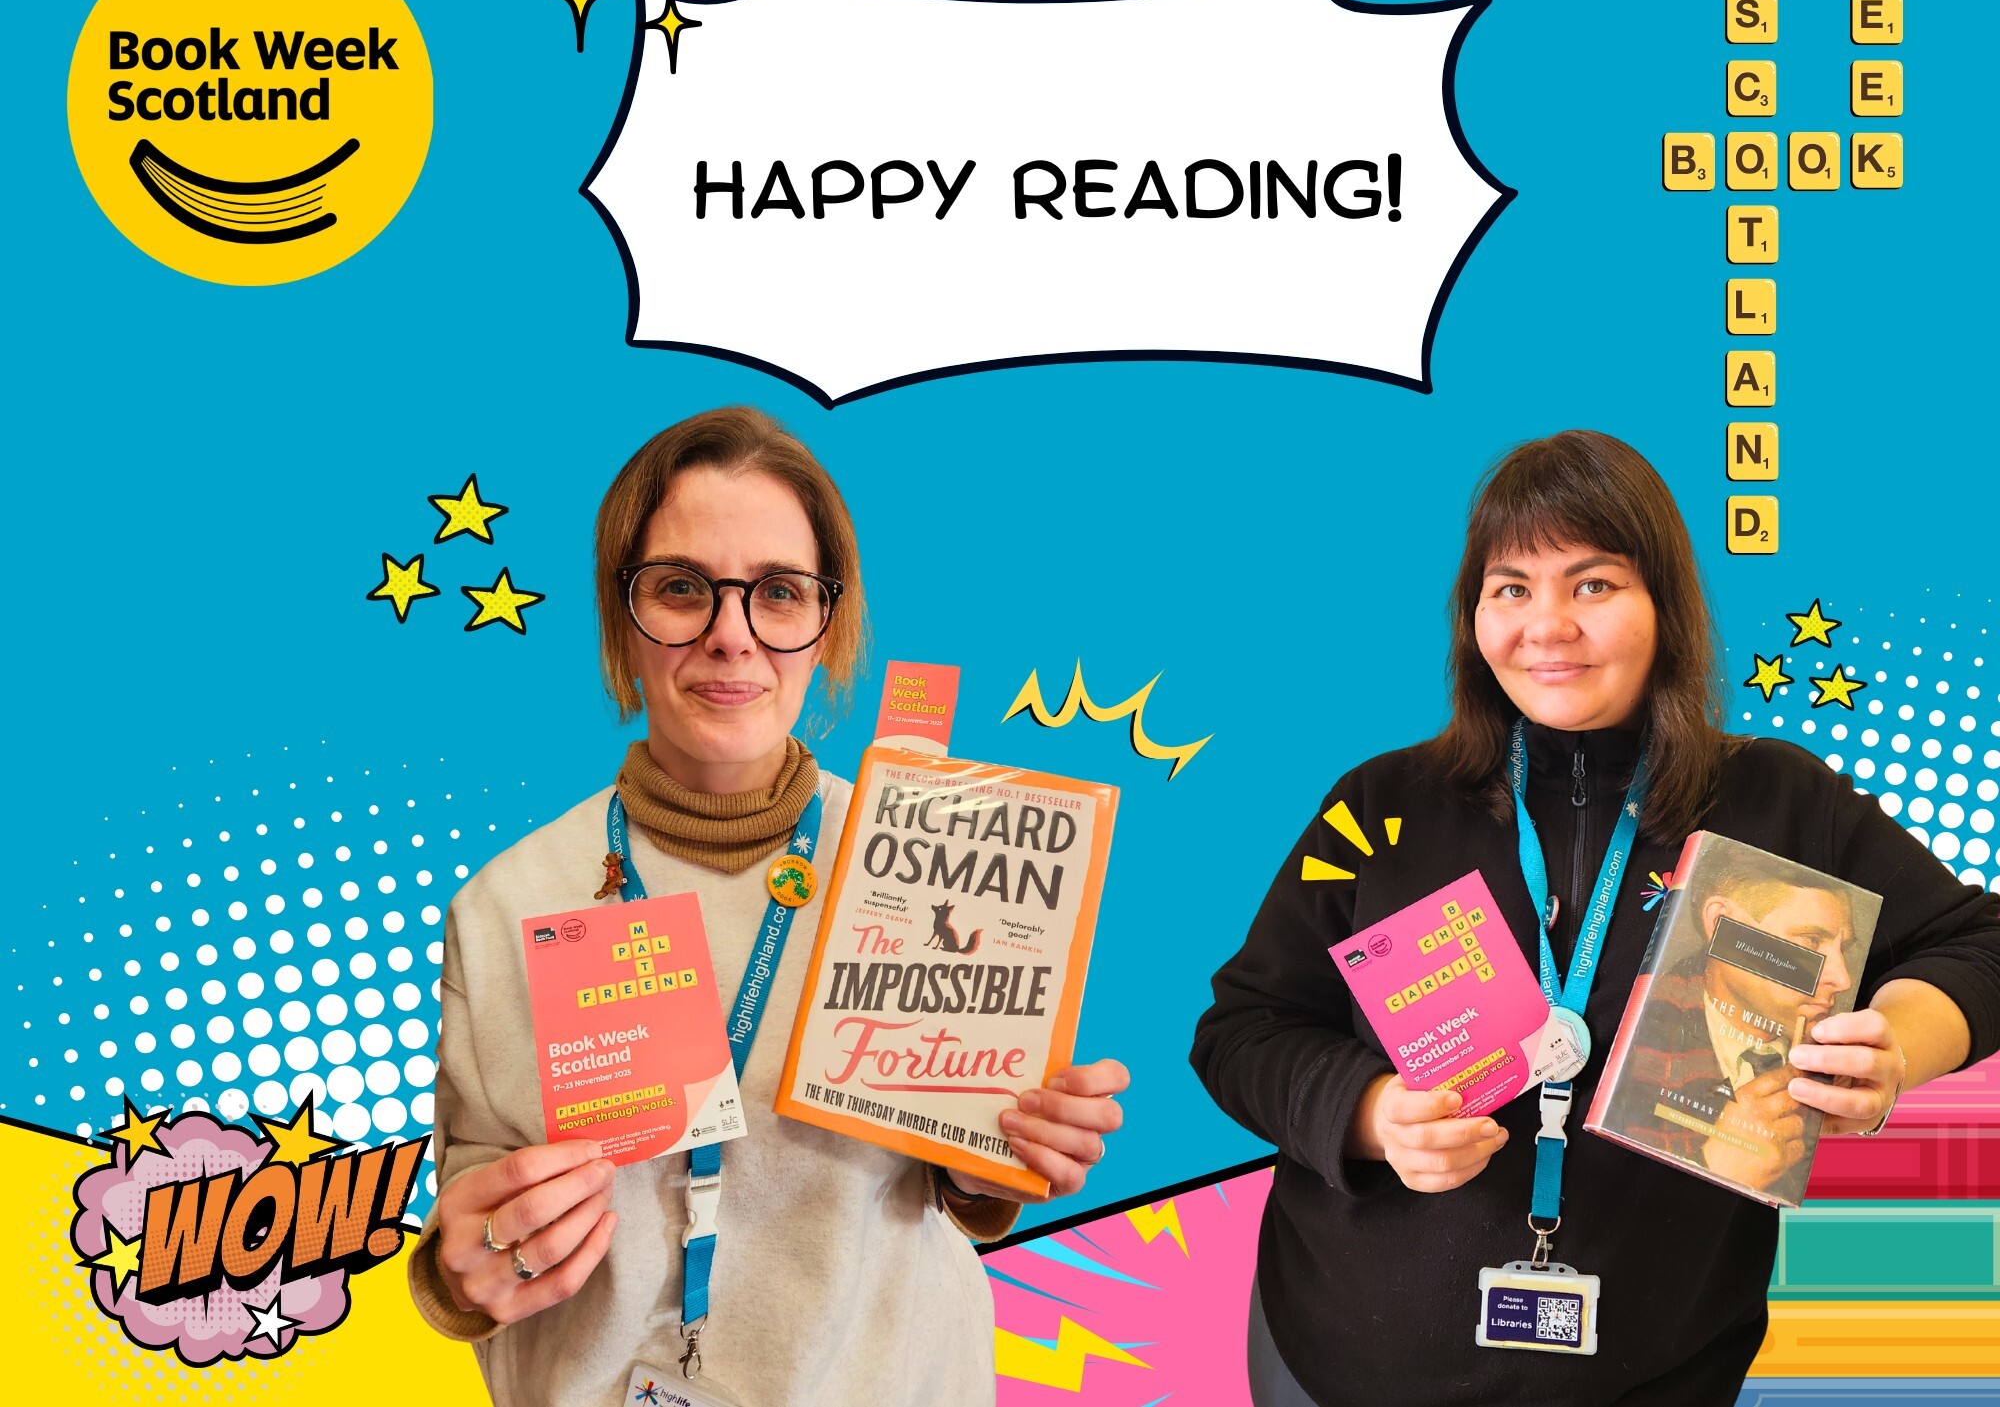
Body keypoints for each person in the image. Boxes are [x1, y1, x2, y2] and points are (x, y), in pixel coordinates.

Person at [1189, 431, 2000, 1407]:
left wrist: (1896, 1046)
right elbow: (1240, 1032)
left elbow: (1980, 943)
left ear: (1663, 605)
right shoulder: (1380, 805)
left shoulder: (1776, 800)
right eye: (1510, 588)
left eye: (1592, 585)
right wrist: (1367, 1116)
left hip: (1661, 1369)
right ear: (1471, 616)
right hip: (1341, 1361)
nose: (1546, 627)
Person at [406, 406, 1129, 1407]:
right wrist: (458, 1276)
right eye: (681, 589)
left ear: (827, 619)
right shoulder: (506, 902)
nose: (729, 637)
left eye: (778, 594)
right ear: (623, 615)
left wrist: (997, 1163)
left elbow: (961, 1180)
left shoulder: (929, 855)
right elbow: (473, 1198)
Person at [1601, 859, 1864, 1203]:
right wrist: (1714, 1165)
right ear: (1722, 923)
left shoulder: (1833, 1051)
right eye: (1812, 941)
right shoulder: (1633, 1043)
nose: (1842, 979)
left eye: (1843, 948)